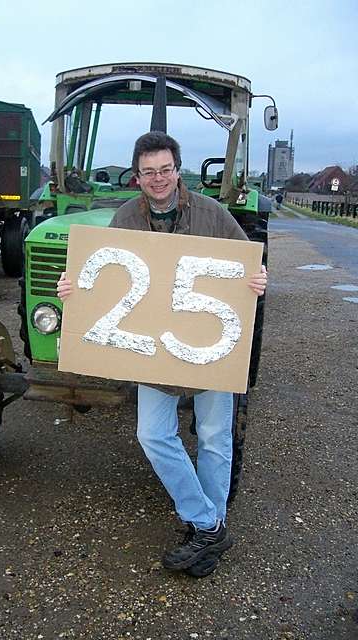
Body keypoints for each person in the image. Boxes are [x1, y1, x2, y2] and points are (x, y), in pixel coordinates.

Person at [57, 132, 267, 578]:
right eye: (149, 172)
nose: (158, 179)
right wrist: (74, 289)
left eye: (166, 170)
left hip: (208, 349)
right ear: (138, 177)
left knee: (215, 440)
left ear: (178, 169)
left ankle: (208, 534)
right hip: (153, 356)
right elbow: (107, 275)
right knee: (153, 436)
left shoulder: (212, 214)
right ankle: (207, 523)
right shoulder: (125, 217)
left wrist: (258, 279)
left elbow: (246, 264)